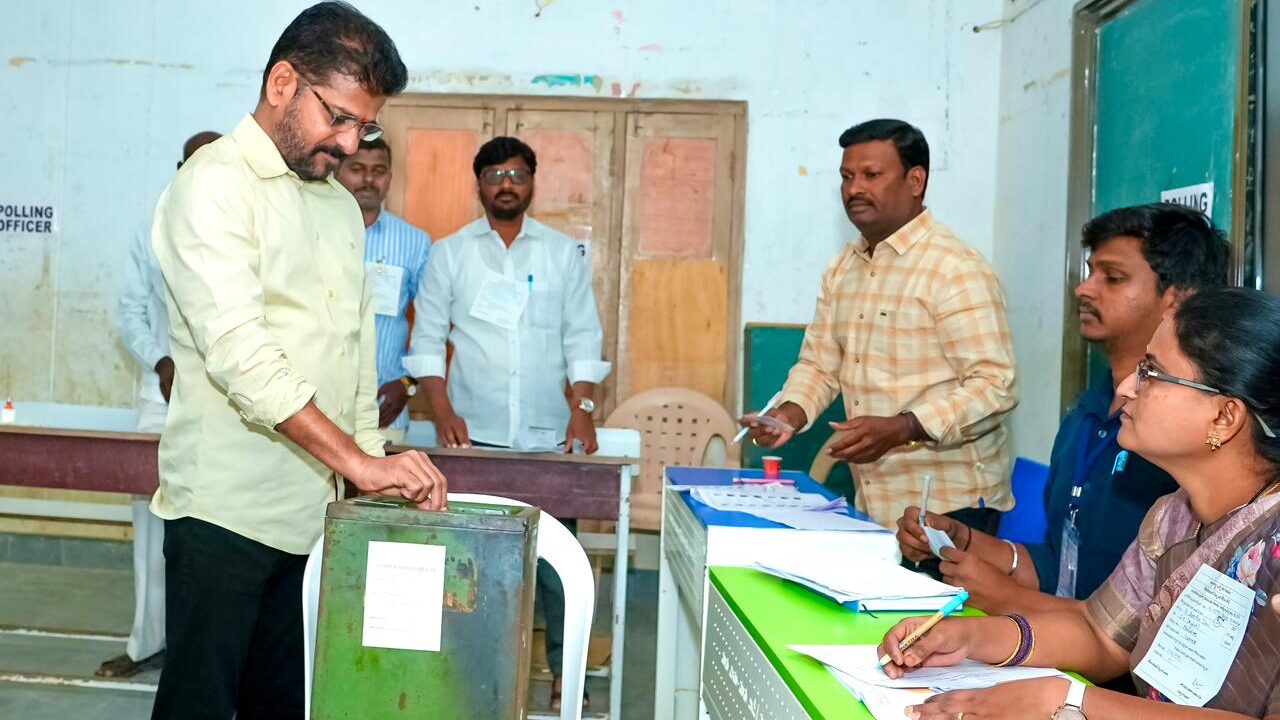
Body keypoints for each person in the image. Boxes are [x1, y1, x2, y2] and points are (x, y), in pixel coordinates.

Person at [148, 4, 447, 717]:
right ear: (283, 83)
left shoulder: (337, 208)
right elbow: (244, 360)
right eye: (338, 118)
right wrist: (359, 463)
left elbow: (348, 359)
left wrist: (374, 469)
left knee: (282, 705)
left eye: (363, 126)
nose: (349, 144)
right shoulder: (214, 187)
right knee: (200, 705)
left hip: (310, 523)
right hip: (223, 518)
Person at [879, 287, 1280, 719]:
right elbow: (1101, 633)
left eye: (1151, 372)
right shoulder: (1173, 517)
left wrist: (1069, 701)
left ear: (1224, 417)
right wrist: (971, 639)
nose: (1127, 386)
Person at [895, 204, 1229, 614]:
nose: (1084, 289)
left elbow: (1146, 626)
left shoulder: (1184, 439)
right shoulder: (1086, 415)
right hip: (1061, 648)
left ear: (1177, 300)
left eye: (1113, 277)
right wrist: (964, 541)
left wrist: (1012, 602)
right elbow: (1063, 566)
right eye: (1090, 272)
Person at [745, 118, 1019, 570]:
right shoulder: (843, 269)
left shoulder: (955, 269)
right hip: (875, 500)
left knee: (932, 637)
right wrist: (789, 413)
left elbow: (996, 386)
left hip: (950, 510)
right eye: (847, 177)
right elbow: (819, 363)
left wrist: (904, 428)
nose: (855, 189)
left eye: (872, 175)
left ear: (916, 181)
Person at [405, 135, 610, 710]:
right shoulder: (450, 254)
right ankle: (466, 675)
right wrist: (442, 411)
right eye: (495, 173)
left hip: (547, 439)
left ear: (531, 183)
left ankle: (566, 679)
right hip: (475, 442)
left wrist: (584, 408)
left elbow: (583, 338)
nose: (506, 183)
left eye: (517, 173)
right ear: (479, 184)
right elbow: (427, 341)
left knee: (556, 568)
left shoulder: (562, 253)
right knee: (473, 566)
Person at [101, 130, 221, 679]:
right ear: (180, 168)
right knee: (152, 530)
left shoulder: (247, 225)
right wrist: (161, 361)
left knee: (221, 531)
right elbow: (129, 311)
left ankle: (208, 650)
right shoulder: (152, 227)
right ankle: (148, 642)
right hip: (162, 399)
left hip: (231, 405)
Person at [334, 136, 432, 444]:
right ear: (338, 170)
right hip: (318, 405)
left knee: (379, 494)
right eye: (357, 168)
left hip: (382, 410)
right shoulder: (312, 232)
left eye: (378, 170)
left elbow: (432, 325)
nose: (368, 179)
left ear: (389, 177)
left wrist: (408, 382)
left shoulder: (415, 243)